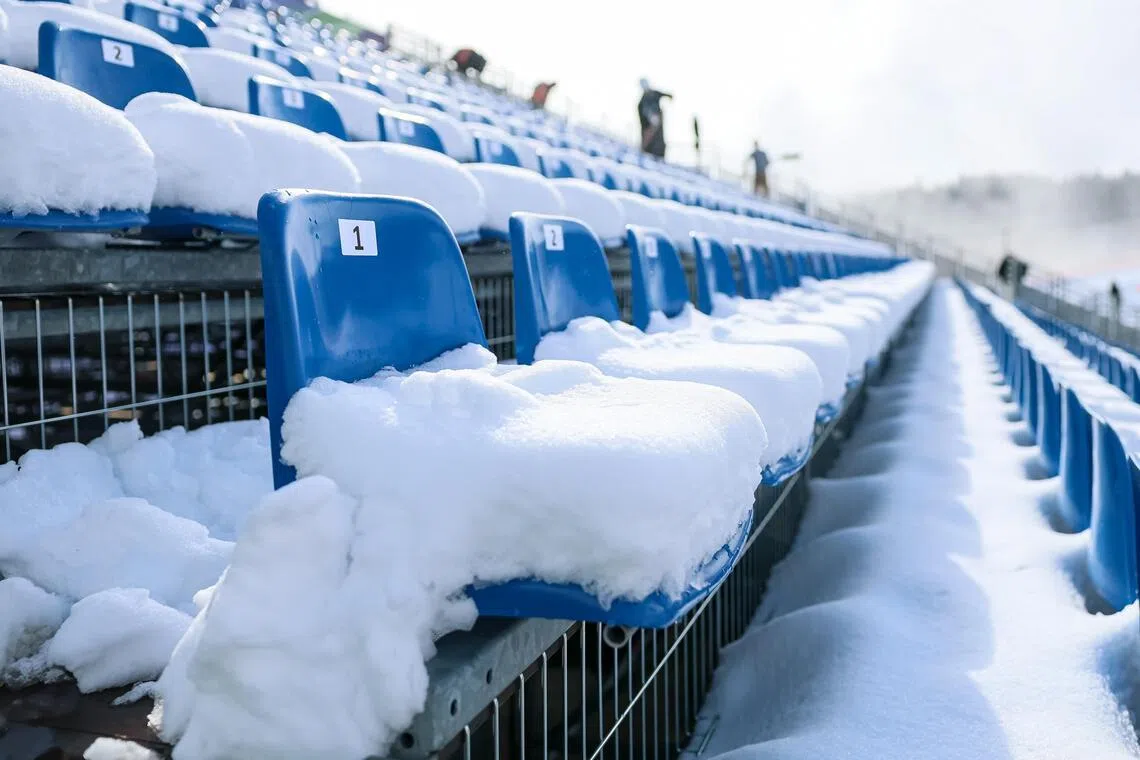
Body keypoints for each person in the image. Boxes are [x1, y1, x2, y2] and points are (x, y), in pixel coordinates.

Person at [637, 78, 672, 158]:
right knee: (650, 147)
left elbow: (667, 95)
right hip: (648, 128)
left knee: (659, 145)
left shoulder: (655, 94)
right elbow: (643, 116)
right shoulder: (642, 102)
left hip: (657, 126)